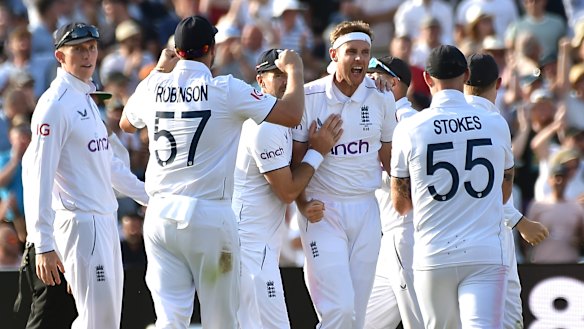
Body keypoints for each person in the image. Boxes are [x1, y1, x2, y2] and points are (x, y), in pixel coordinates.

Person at [119, 15, 306, 329]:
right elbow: (291, 113)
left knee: (169, 319)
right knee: (222, 319)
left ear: (177, 51)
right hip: (209, 219)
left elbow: (126, 123)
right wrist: (296, 70)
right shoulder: (225, 89)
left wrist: (158, 73)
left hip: (160, 217)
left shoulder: (155, 84)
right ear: (211, 50)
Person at [22, 22, 149, 329]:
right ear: (59, 56)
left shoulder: (87, 100)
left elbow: (109, 166)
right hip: (81, 225)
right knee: (98, 322)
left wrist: (154, 197)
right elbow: (39, 175)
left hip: (104, 220)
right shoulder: (54, 105)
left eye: (91, 47)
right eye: (78, 49)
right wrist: (43, 242)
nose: (88, 55)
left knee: (104, 320)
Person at [390, 45, 513, 328]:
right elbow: (503, 191)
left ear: (428, 80)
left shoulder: (409, 128)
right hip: (485, 252)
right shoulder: (495, 122)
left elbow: (401, 204)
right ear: (466, 75)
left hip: (434, 254)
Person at [291, 20, 397, 329]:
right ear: (333, 54)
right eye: (352, 52)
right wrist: (302, 203)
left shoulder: (381, 95)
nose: (360, 59)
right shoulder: (309, 97)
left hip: (366, 209)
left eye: (365, 52)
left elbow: (390, 160)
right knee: (339, 310)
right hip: (322, 211)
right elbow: (295, 162)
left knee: (357, 317)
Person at [233, 48, 342, 329]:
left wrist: (304, 204)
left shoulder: (279, 121)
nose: (285, 81)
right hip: (250, 250)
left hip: (256, 247)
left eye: (288, 74)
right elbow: (287, 191)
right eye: (278, 75)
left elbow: (290, 178)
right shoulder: (265, 125)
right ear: (261, 81)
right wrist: (318, 152)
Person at [464, 52, 549, 329]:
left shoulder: (436, 120)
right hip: (489, 237)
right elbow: (495, 192)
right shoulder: (495, 122)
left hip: (443, 238)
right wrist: (520, 221)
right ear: (498, 83)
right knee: (508, 319)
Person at [364, 55, 424, 329]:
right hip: (387, 236)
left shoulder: (407, 120)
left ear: (393, 83)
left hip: (407, 230)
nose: (367, 81)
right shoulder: (381, 115)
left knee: (420, 322)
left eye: (374, 75)